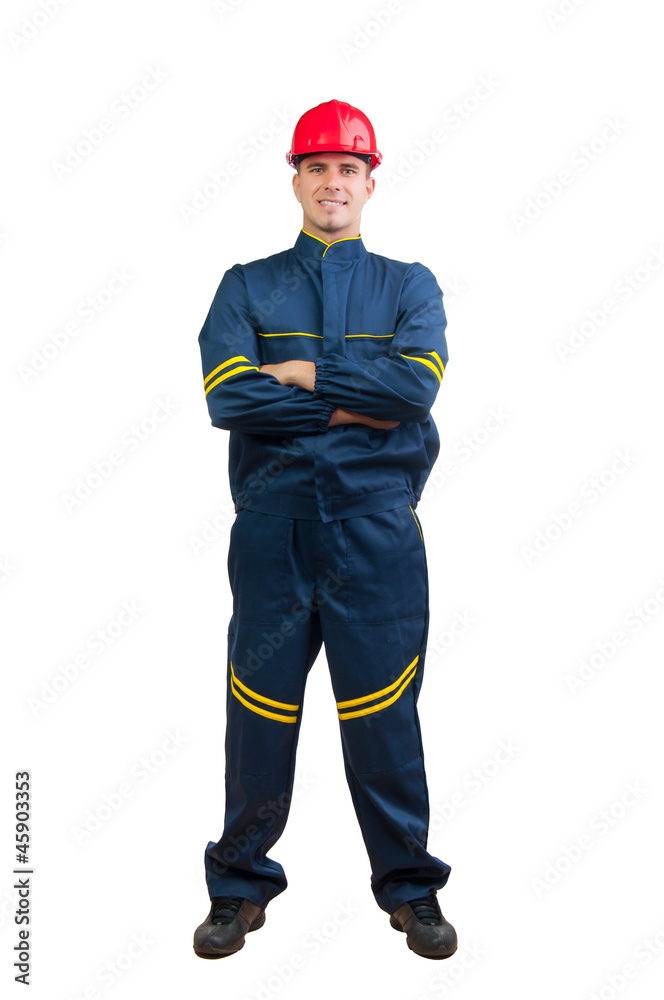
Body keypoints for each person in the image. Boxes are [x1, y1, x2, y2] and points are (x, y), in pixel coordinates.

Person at [193, 99, 457, 961]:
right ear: (296, 180)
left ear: (371, 183)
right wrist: (358, 401)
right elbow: (228, 397)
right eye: (317, 167)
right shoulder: (246, 285)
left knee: (384, 715)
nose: (332, 181)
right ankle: (239, 887)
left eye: (348, 168)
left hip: (377, 537)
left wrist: (304, 373)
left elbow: (415, 389)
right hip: (273, 534)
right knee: (258, 711)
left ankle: (410, 889)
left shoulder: (410, 285)